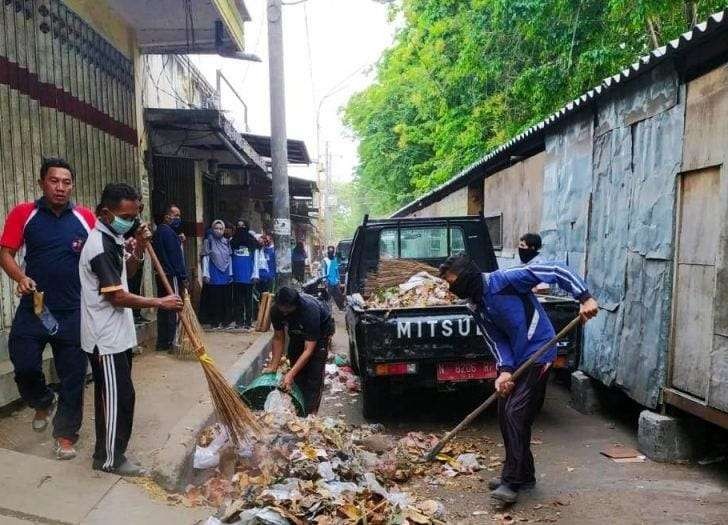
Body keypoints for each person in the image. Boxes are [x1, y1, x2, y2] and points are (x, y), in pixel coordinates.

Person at [439, 254, 598, 505]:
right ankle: (525, 474)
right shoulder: (475, 304)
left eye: (453, 281)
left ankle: (511, 481)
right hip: (516, 359)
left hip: (540, 350)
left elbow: (555, 269)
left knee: (516, 412)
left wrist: (584, 297)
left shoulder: (506, 279)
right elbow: (496, 339)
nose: (452, 288)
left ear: (467, 275)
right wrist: (504, 369)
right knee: (505, 412)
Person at [79, 183, 183, 475]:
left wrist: (137, 245)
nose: (131, 220)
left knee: (117, 396)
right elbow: (117, 296)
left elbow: (127, 275)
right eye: (125, 215)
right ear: (105, 213)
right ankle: (111, 458)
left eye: (135, 215)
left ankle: (107, 452)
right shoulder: (99, 245)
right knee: (117, 398)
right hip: (105, 339)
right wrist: (159, 302)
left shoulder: (113, 238)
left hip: (117, 336)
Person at [0, 157, 95, 460]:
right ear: (42, 182)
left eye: (67, 182)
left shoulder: (85, 218)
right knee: (24, 362)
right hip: (35, 308)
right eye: (54, 181)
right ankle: (42, 400)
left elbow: (101, 258)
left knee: (73, 376)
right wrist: (20, 276)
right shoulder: (24, 214)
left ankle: (65, 436)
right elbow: (6, 254)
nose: (60, 187)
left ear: (72, 186)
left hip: (73, 312)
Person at [264, 287, 335, 415]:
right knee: (297, 376)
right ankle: (298, 409)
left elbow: (309, 349)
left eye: (288, 310)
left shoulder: (309, 310)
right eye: (282, 310)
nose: (284, 313)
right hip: (297, 334)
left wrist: (290, 374)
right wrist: (273, 367)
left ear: (295, 305)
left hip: (319, 336)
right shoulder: (276, 310)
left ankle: (310, 416)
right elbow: (279, 338)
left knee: (314, 377)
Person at [151, 204, 187, 351]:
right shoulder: (168, 232)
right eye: (176, 215)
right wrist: (183, 275)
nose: (178, 219)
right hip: (171, 275)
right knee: (173, 306)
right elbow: (175, 257)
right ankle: (172, 341)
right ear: (167, 216)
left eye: (179, 216)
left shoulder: (160, 231)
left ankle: (162, 342)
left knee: (163, 307)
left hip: (161, 274)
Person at [200, 220, 233, 329]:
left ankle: (225, 321)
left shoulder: (227, 242)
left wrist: (230, 274)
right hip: (213, 273)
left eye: (221, 229)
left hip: (225, 274)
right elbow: (205, 257)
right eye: (216, 228)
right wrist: (205, 274)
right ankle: (214, 321)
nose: (218, 231)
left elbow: (229, 258)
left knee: (225, 299)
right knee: (214, 299)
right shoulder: (208, 241)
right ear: (212, 229)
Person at [231, 220, 258, 330]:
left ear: (247, 227)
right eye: (238, 226)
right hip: (236, 276)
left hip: (248, 277)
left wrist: (255, 275)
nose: (241, 228)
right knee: (238, 301)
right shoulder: (232, 242)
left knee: (248, 301)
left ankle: (248, 321)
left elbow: (255, 260)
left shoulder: (252, 242)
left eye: (243, 226)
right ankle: (239, 321)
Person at [321, 245, 345, 310]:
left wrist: (339, 280)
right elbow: (323, 271)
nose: (330, 253)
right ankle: (328, 310)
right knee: (328, 297)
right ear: (328, 252)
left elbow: (336, 270)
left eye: (332, 252)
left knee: (338, 295)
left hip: (335, 281)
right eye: (329, 252)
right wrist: (324, 280)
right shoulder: (325, 260)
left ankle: (341, 307)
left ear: (333, 252)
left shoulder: (335, 260)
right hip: (328, 281)